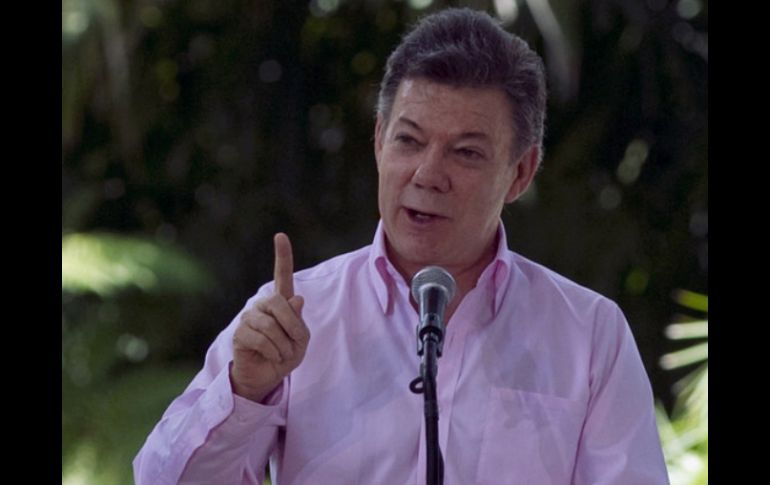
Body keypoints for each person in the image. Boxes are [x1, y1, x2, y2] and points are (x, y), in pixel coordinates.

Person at [134, 7, 669, 484]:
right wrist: (243, 393)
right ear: (378, 141)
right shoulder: (295, 316)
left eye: (466, 152)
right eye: (409, 141)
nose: (428, 174)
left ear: (521, 173)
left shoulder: (588, 335)